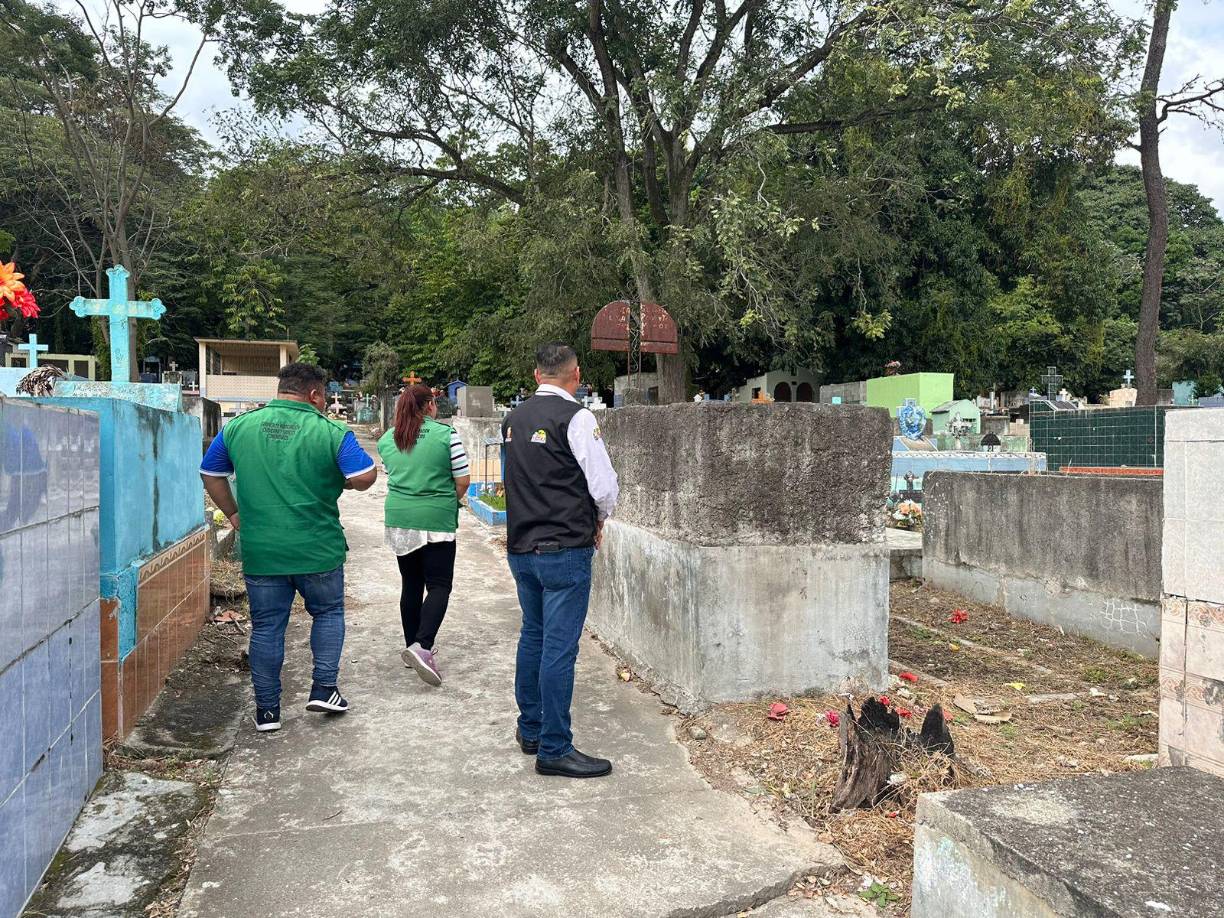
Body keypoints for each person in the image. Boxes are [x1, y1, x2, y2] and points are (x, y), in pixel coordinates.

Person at [200, 363, 377, 733]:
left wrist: (233, 514)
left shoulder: (239, 427)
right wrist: (341, 479)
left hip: (262, 549)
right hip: (317, 549)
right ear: (314, 394)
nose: (326, 403)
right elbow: (363, 476)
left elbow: (210, 472)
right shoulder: (330, 431)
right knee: (328, 613)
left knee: (266, 627)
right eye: (325, 396)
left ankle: (267, 711)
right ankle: (324, 689)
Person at [502, 343, 619, 778]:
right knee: (558, 647)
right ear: (576, 375)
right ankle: (553, 746)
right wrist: (599, 521)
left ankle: (530, 728)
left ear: (536, 375)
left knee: (533, 635)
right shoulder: (578, 417)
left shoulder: (513, 419)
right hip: (564, 550)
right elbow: (603, 486)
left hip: (522, 548)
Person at [377, 383, 471, 686]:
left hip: (400, 518)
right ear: (429, 405)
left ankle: (411, 646)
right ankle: (423, 646)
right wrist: (448, 499)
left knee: (412, 583)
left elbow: (395, 471)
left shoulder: (387, 439)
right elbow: (463, 479)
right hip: (436, 519)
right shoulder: (446, 435)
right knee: (440, 584)